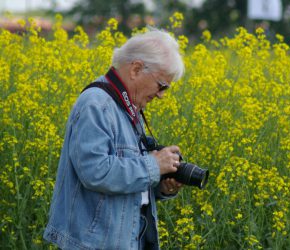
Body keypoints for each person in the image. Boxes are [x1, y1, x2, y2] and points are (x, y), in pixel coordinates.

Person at [44, 28, 185, 249]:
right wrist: (153, 165)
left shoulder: (128, 106)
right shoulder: (97, 104)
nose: (161, 94)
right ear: (136, 69)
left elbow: (128, 178)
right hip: (95, 243)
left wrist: (162, 186)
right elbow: (95, 172)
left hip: (126, 238)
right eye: (162, 85)